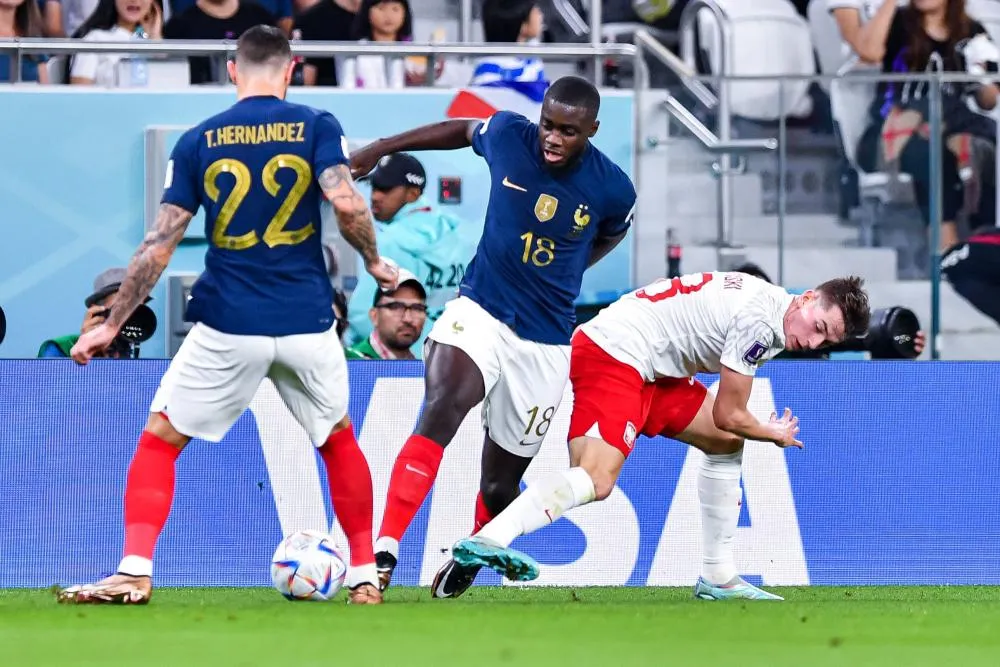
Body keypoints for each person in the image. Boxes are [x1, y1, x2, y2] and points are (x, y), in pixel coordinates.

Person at [56, 25, 397, 607]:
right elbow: (346, 202)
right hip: (306, 320)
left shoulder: (197, 141)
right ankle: (364, 575)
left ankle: (135, 570)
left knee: (160, 441)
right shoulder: (319, 126)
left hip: (228, 322)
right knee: (339, 440)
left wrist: (112, 323)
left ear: (233, 71)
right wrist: (373, 261)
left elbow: (159, 245)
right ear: (291, 70)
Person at [349, 75, 637, 597]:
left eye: (567, 131)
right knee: (444, 403)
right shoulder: (508, 134)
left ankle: (473, 554)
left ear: (591, 130)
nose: (552, 138)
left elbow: (613, 231)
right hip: (479, 310)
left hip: (545, 344)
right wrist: (382, 147)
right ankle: (383, 551)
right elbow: (459, 129)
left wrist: (573, 266)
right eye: (548, 124)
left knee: (500, 484)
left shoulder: (613, 187)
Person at [451, 271, 871, 600]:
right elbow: (729, 413)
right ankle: (489, 538)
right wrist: (772, 432)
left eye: (824, 340)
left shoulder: (773, 306)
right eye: (817, 325)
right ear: (807, 297)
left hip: (656, 369)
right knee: (597, 479)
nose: (811, 340)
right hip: (613, 353)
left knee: (725, 444)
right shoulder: (762, 323)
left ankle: (718, 576)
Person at [852, 0, 1000, 252]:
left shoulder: (971, 31)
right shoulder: (898, 23)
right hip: (892, 133)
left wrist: (979, 77)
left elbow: (988, 101)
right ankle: (945, 252)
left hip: (952, 127)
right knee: (933, 155)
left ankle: (982, 247)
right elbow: (868, 52)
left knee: (983, 148)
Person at [347, 152, 478, 351]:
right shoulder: (460, 235)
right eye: (374, 187)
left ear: (413, 194)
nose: (375, 196)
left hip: (402, 360)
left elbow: (362, 316)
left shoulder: (390, 242)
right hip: (452, 354)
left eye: (385, 189)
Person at [38, 267, 153, 358]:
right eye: (119, 311)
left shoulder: (133, 355)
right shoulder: (59, 348)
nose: (127, 317)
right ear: (97, 314)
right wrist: (89, 351)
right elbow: (53, 386)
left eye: (135, 310)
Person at [345, 269, 428, 360]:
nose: (408, 319)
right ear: (374, 316)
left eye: (417, 308)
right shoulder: (348, 364)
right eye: (396, 307)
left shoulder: (425, 369)